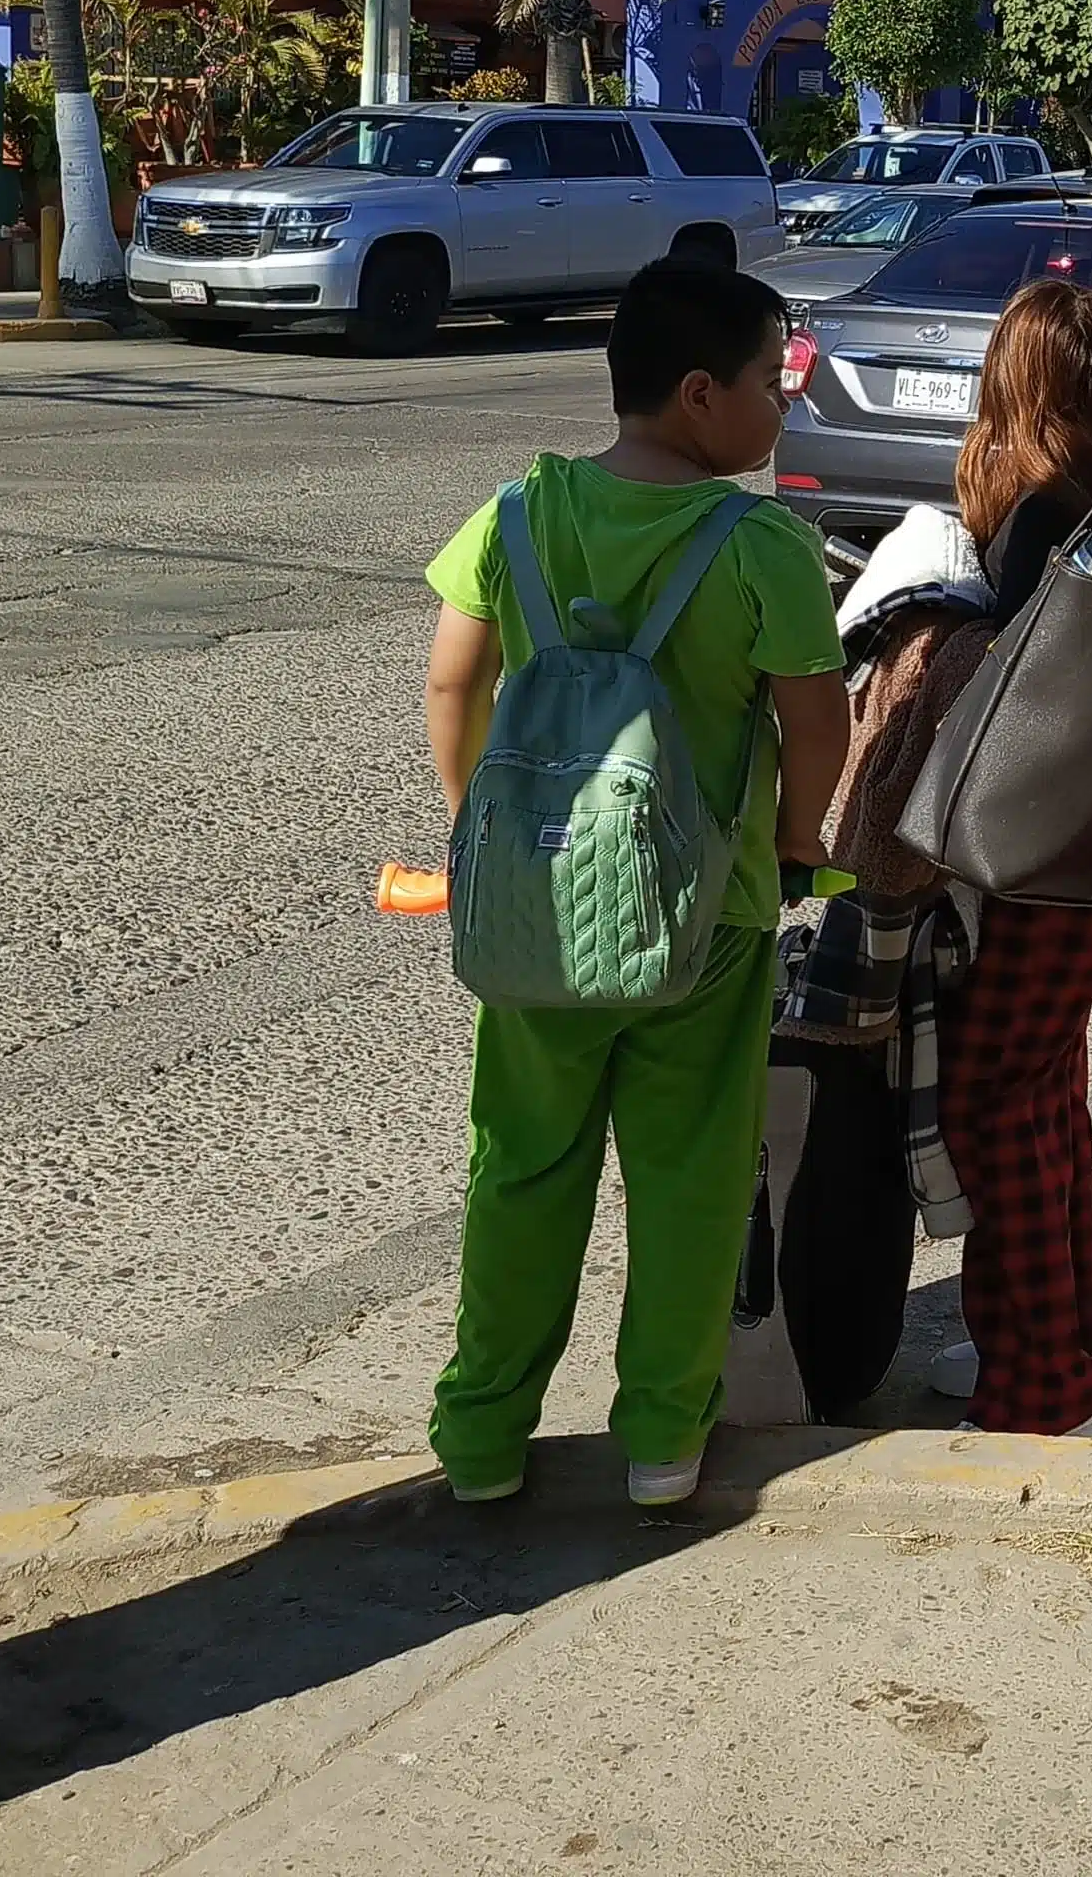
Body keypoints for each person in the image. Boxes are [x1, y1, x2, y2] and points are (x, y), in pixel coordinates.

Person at [421, 259, 852, 1509]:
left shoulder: (513, 518)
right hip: (703, 923)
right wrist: (796, 837)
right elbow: (812, 717)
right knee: (688, 1181)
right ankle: (663, 1446)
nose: (782, 409)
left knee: (520, 1167)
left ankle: (483, 1443)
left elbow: (454, 680)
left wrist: (476, 831)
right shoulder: (758, 543)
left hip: (532, 919)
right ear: (699, 395)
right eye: (772, 383)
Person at [919, 276, 1092, 1432]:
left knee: (989, 1101)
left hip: (1033, 854)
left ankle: (1043, 1384)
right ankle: (1068, 1337)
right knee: (1044, 1087)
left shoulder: (1034, 516)